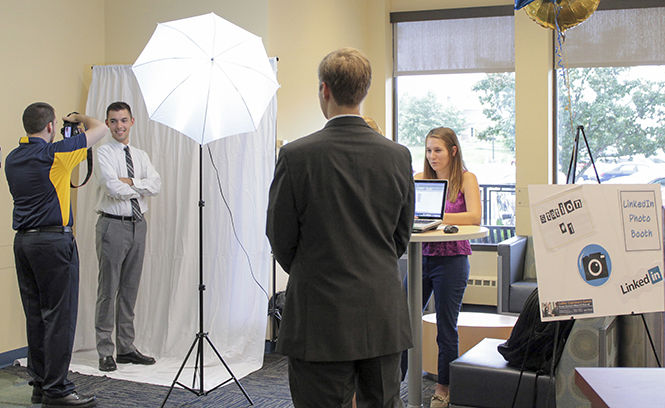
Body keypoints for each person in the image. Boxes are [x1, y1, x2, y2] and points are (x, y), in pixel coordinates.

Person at [266, 48, 414, 408]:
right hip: (381, 313)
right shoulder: (398, 156)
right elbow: (400, 236)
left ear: (324, 90)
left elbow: (279, 236)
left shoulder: (296, 156)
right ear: (363, 91)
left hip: (319, 315)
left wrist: (311, 269)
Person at [5, 102, 108, 407]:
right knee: (59, 317)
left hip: (23, 243)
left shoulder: (12, 158)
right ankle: (58, 389)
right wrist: (78, 119)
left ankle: (40, 384)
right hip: (53, 243)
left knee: (36, 316)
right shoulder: (56, 153)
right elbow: (99, 128)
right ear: (50, 126)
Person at [416, 127, 481, 408]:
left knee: (446, 328)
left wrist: (437, 216)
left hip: (452, 260)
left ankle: (443, 388)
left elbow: (475, 216)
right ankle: (397, 382)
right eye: (429, 150)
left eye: (438, 150)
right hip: (421, 257)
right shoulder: (419, 179)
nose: (432, 156)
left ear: (453, 151)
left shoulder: (466, 179)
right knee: (404, 323)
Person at [94, 101, 161, 372]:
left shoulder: (141, 155)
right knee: (108, 290)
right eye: (113, 121)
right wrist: (139, 187)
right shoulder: (103, 153)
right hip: (112, 225)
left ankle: (126, 348)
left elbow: (156, 185)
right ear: (107, 123)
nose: (119, 126)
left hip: (138, 224)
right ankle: (105, 350)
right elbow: (111, 187)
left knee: (130, 289)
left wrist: (131, 182)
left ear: (132, 121)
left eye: (123, 120)